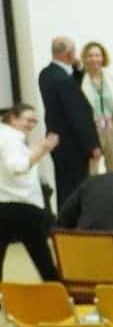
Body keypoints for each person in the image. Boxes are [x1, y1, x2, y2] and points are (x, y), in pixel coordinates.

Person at [38, 35, 100, 208]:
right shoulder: (63, 80)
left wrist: (78, 70)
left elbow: (70, 92)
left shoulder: (46, 74)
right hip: (73, 144)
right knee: (77, 188)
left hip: (57, 141)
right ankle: (77, 228)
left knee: (64, 186)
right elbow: (78, 115)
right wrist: (92, 144)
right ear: (70, 53)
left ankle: (65, 226)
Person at [0, 105, 60, 281]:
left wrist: (36, 150)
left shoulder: (5, 137)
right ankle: (59, 297)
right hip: (22, 206)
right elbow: (16, 167)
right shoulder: (12, 139)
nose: (32, 124)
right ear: (13, 119)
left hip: (3, 203)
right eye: (28, 119)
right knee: (42, 256)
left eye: (35, 120)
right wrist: (43, 150)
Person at [79, 41, 113, 174]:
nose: (94, 59)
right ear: (85, 58)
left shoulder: (112, 79)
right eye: (90, 55)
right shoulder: (79, 81)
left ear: (103, 57)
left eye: (97, 55)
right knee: (92, 172)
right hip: (92, 131)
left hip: (112, 130)